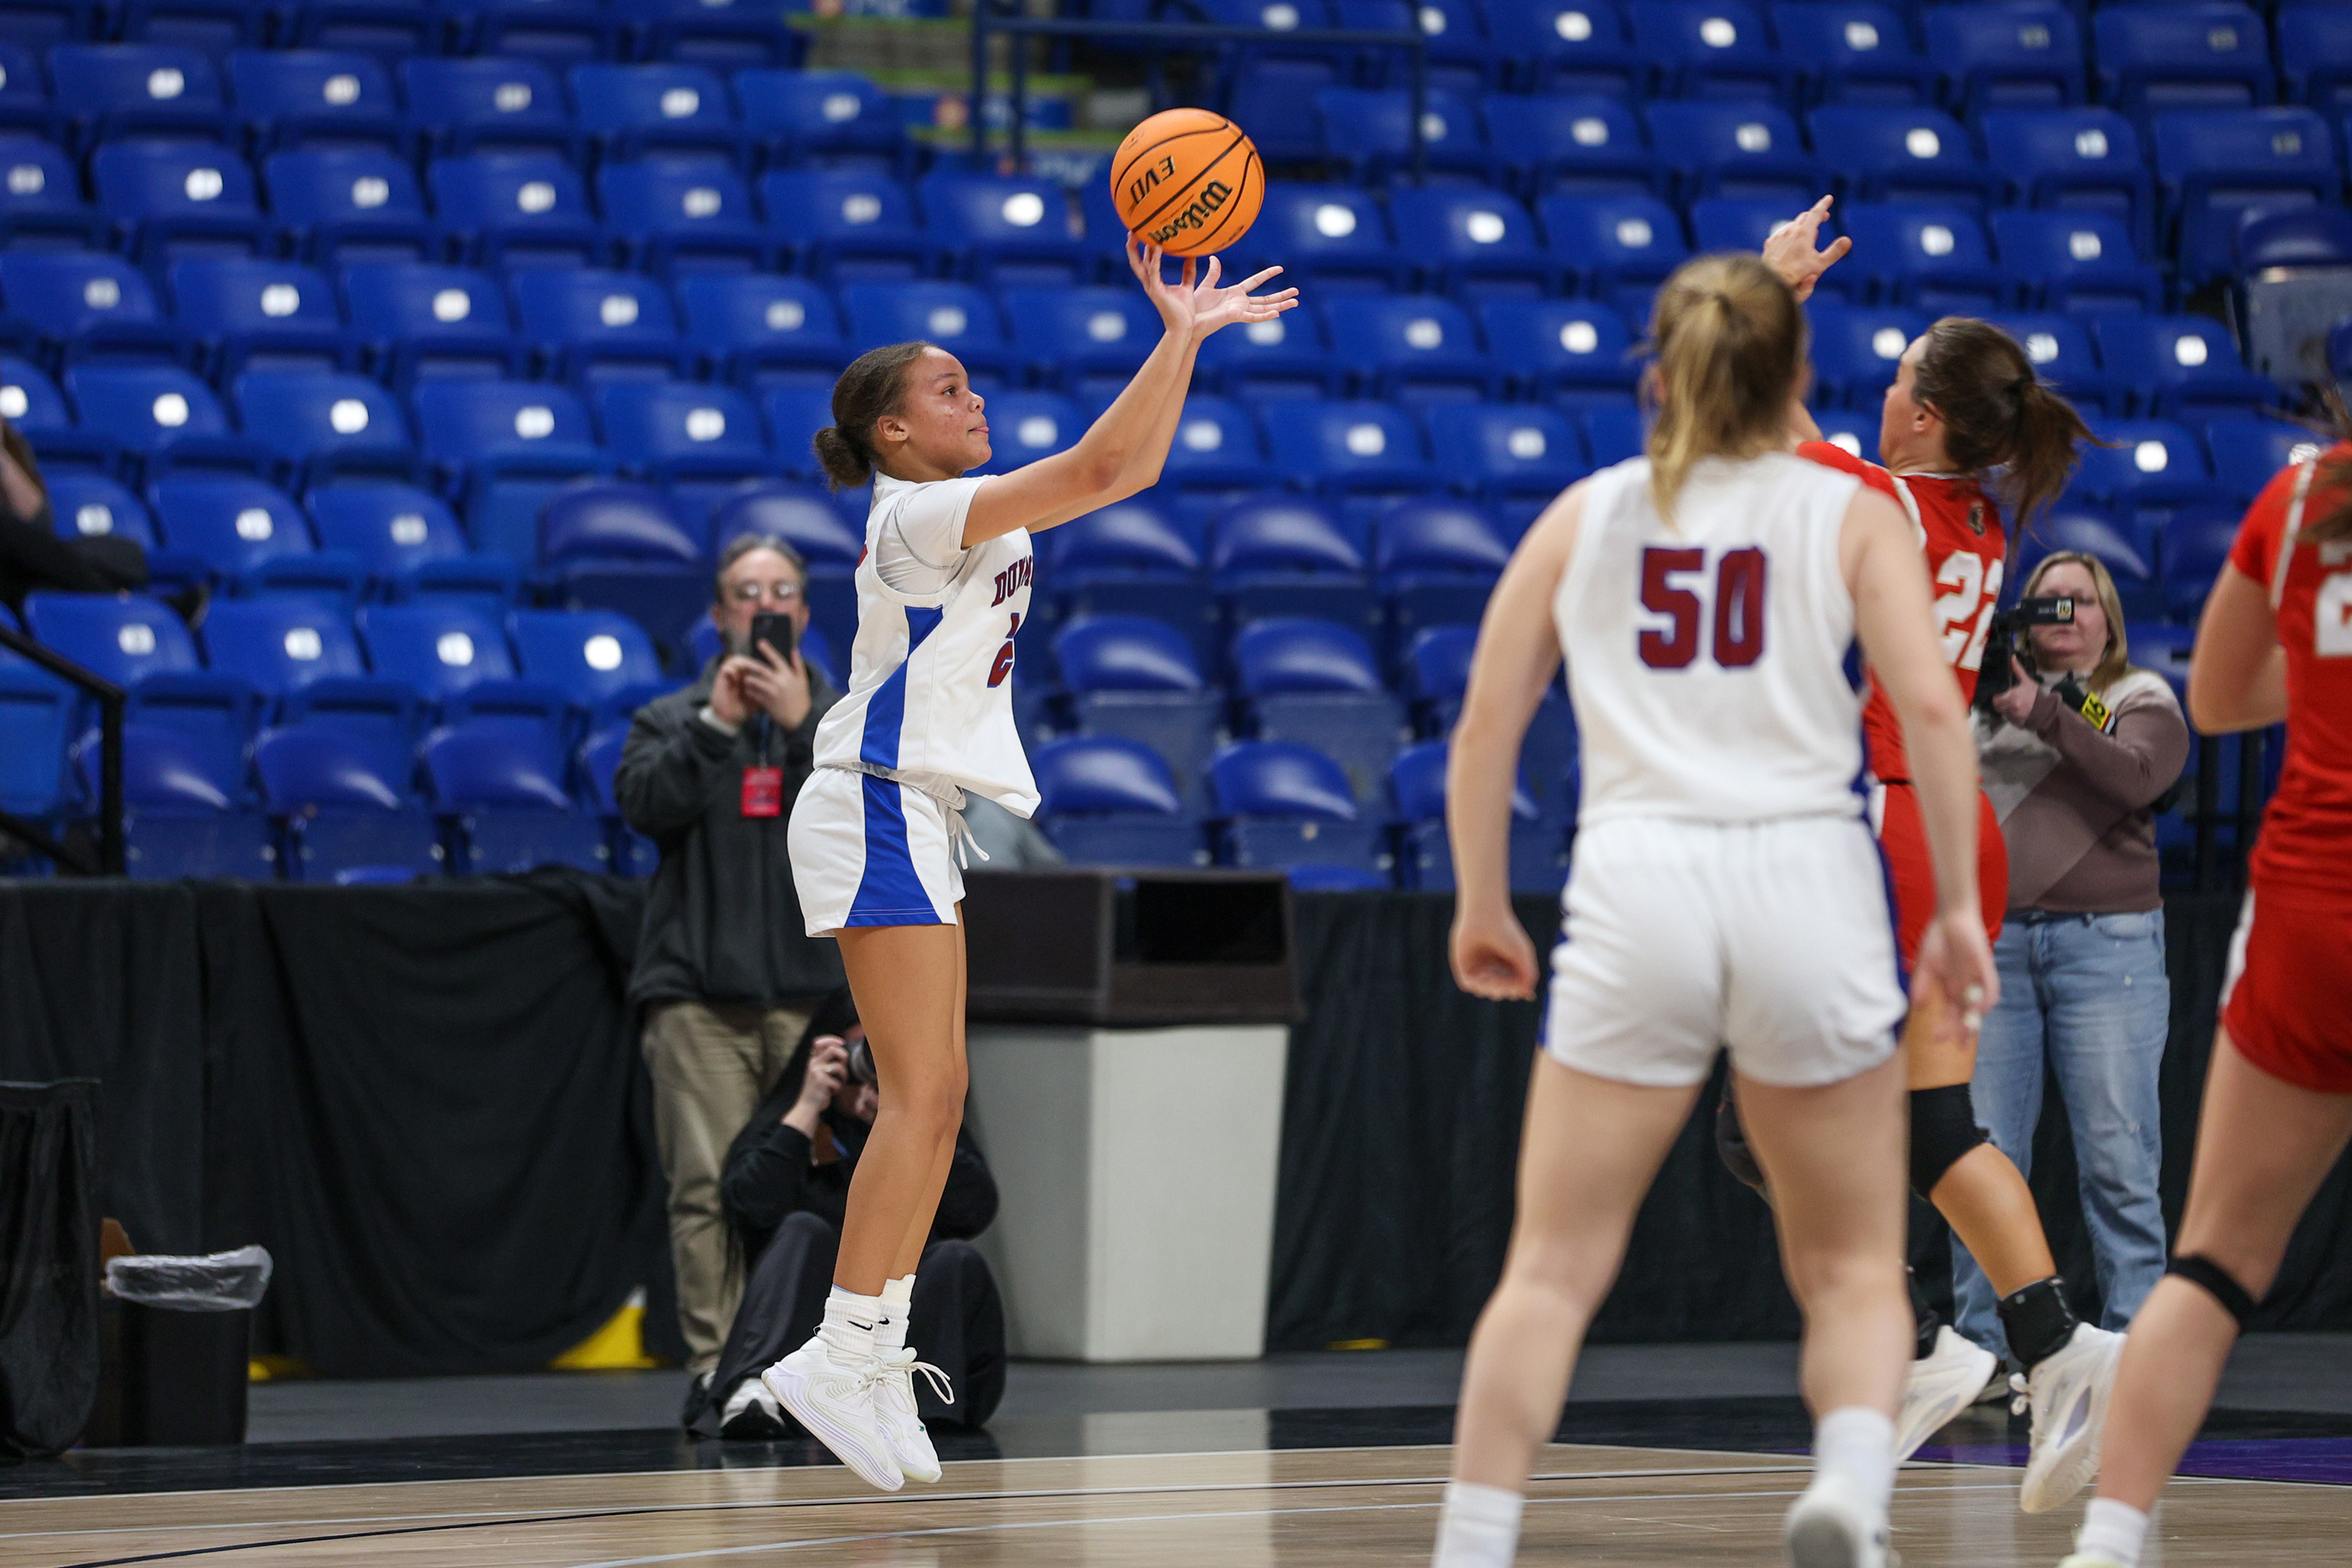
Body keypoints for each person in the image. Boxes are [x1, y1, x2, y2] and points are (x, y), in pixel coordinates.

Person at [1429, 251, 1998, 1568]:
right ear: (1800, 379)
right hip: (1807, 878)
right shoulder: (1851, 515)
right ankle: (1849, 1495)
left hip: (1642, 886)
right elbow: (1929, 712)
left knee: (1553, 1268)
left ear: (1660, 374)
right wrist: (1960, 906)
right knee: (1854, 1264)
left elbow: (1485, 731)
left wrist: (1477, 903)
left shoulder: (1587, 513)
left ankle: (1473, 1541)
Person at [759, 238, 1297, 1492]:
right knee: (925, 1092)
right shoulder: (917, 516)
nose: (976, 399)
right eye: (948, 391)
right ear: (893, 434)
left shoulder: (957, 502)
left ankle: (869, 1346)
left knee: (936, 1102)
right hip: (874, 803)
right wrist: (1177, 337)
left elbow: (1132, 468)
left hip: (920, 814)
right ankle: (836, 1351)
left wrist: (1188, 342)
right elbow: (1107, 461)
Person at [1751, 199, 2124, 1512]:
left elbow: (1747, 398)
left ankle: (1928, 1342)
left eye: (1902, 372)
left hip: (1889, 829)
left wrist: (1774, 282)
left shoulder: (1879, 500)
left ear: (1918, 416)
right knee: (1931, 1118)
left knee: (1772, 1119)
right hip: (1953, 825)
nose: (1886, 379)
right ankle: (2050, 1347)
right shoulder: (1973, 516)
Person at [2053, 439, 2352, 1568]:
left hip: (2317, 910)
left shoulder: (2310, 492)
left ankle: (2113, 1543)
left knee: (2215, 1262)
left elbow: (2220, 699)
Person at [615, 534, 844, 1420]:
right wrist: (717, 728)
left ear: (803, 610)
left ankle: (805, 1369)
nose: (764, 604)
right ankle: (720, 1369)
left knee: (809, 1189)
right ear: (719, 616)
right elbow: (646, 804)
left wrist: (795, 732)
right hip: (698, 1001)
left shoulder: (835, 724)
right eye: (748, 591)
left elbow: (864, 806)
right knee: (706, 1188)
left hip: (809, 994)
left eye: (781, 589)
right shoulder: (672, 718)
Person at [1958, 551, 2187, 1366]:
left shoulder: (2136, 696)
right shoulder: (1978, 705)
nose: (2063, 616)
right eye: (2046, 603)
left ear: (2108, 617)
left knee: (2120, 1160)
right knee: (1982, 1154)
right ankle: (1981, 1351)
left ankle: (2136, 1351)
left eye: (2078, 603)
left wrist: (2047, 708)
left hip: (2108, 946)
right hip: (1998, 948)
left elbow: (2142, 777)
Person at [695, 1000, 1004, 1443]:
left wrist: (908, 1122)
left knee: (955, 1258)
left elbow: (974, 1211)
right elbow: (750, 1206)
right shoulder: (800, 1122)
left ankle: (918, 1403)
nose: (874, 1067)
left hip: (900, 1327)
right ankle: (754, 1391)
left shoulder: (924, 1132)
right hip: (811, 1327)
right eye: (865, 1052)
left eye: (888, 1054)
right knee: (805, 1231)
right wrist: (807, 1106)